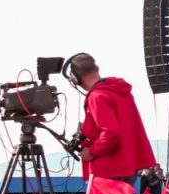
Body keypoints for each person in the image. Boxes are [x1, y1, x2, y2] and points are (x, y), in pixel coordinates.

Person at [65, 53, 158, 186]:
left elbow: (111, 132)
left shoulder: (97, 96)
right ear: (96, 68)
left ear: (75, 77)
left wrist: (91, 151)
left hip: (108, 169)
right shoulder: (120, 92)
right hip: (127, 166)